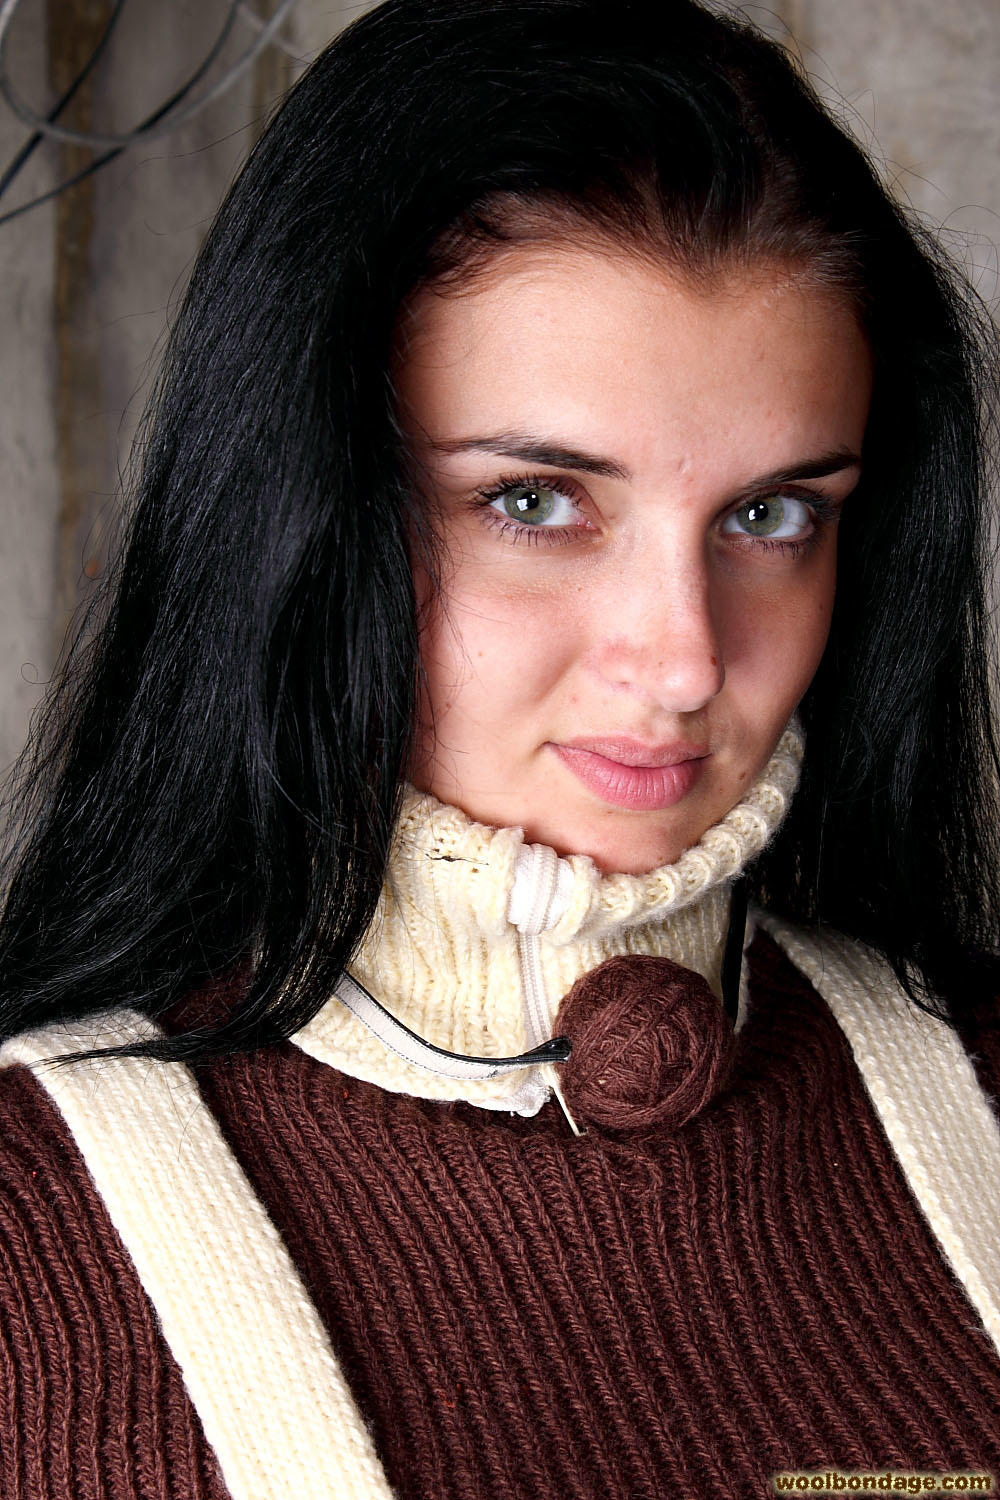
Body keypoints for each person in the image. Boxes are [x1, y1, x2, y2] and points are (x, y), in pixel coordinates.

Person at [1, 0, 999, 1495]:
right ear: (306, 510)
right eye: (534, 502)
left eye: (771, 514)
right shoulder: (30, 1231)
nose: (682, 659)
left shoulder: (981, 1079)